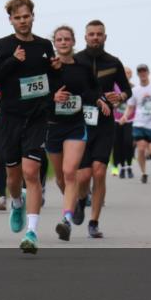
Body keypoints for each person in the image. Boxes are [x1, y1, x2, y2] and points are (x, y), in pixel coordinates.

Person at [0, 0, 61, 254]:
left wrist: (57, 70)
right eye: (17, 18)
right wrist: (13, 60)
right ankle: (16, 202)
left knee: (31, 173)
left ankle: (32, 232)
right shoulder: (1, 46)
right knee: (13, 178)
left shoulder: (45, 46)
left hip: (36, 118)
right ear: (11, 20)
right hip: (9, 119)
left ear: (33, 16)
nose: (23, 21)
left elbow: (52, 79)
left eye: (26, 16)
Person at [72, 20, 131, 238]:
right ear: (85, 37)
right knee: (84, 175)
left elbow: (126, 90)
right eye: (91, 34)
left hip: (105, 123)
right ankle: (80, 200)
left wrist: (121, 96)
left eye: (99, 34)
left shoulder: (113, 62)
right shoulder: (76, 61)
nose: (95, 37)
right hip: (80, 122)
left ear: (105, 37)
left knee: (99, 171)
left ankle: (94, 222)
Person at [47, 26, 104, 242]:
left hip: (76, 125)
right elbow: (39, 95)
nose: (63, 42)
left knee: (70, 172)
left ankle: (66, 221)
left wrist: (99, 99)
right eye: (59, 39)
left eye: (67, 39)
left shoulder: (83, 67)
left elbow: (92, 90)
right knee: (61, 179)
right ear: (55, 43)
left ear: (73, 42)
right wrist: (53, 97)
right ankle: (78, 202)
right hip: (53, 126)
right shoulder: (48, 68)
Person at [121, 64, 151, 184]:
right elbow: (130, 107)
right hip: (139, 123)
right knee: (141, 148)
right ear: (138, 74)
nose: (142, 74)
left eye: (144, 71)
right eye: (140, 72)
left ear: (148, 72)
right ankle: (143, 173)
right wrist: (125, 116)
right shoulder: (135, 90)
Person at [113, 66, 136, 179]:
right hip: (116, 119)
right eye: (125, 72)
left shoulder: (134, 88)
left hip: (130, 120)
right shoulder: (115, 86)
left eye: (129, 72)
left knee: (128, 143)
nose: (127, 74)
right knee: (119, 144)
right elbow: (110, 100)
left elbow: (136, 103)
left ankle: (129, 166)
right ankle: (122, 167)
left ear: (131, 75)